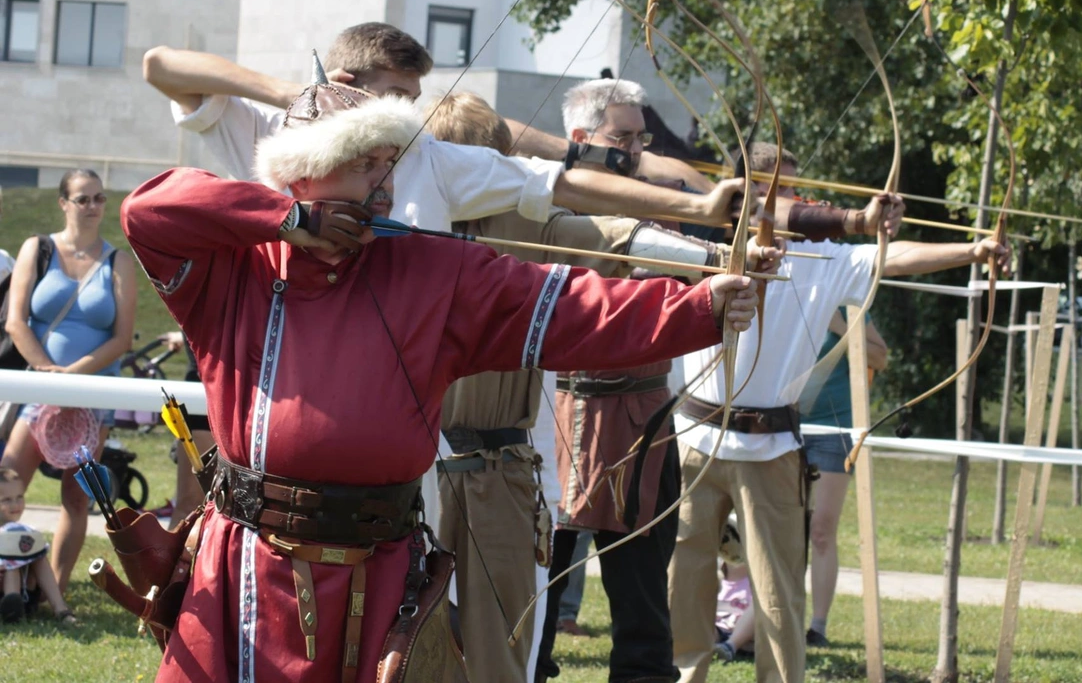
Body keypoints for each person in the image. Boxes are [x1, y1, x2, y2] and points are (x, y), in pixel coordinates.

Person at [120, 84, 761, 683]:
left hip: (379, 568)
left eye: (390, 164)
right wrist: (288, 220)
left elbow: (571, 305)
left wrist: (700, 308)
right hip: (249, 563)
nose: (385, 185)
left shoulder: (434, 270)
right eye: (364, 164)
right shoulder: (236, 270)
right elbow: (148, 209)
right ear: (304, 172)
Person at [427, 91, 778, 682]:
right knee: (420, 635)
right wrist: (715, 257)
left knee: (507, 637)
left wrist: (719, 256)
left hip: (504, 466)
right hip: (430, 464)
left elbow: (613, 234)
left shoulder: (525, 218)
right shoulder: (405, 219)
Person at [669, 142, 1008, 683]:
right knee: (685, 582)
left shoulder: (821, 256)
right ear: (738, 192)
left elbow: (892, 256)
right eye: (771, 188)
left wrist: (973, 251)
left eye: (792, 189)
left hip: (770, 448)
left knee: (779, 590)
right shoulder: (697, 244)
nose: (786, 200)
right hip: (694, 441)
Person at [142, 24, 745, 233]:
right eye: (394, 97)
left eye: (414, 100)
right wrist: (291, 94)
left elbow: (560, 184)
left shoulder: (427, 157)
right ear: (347, 81)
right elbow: (161, 66)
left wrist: (696, 208)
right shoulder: (273, 130)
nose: (408, 114)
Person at [538, 78, 743, 683]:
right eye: (622, 137)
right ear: (581, 139)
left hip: (639, 425)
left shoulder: (661, 205)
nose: (634, 150)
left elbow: (716, 249)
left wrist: (740, 250)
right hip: (554, 420)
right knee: (537, 596)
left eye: (640, 138)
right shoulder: (543, 203)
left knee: (643, 602)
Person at [1, 168, 136, 593]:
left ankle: (53, 593)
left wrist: (73, 379)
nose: (93, 206)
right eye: (83, 199)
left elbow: (122, 339)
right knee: (6, 480)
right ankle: (8, 581)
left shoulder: (118, 261)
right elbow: (16, 321)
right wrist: (49, 376)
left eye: (99, 198)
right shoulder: (37, 248)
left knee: (77, 497)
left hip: (92, 396)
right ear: (64, 203)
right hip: (39, 391)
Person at [801, 309, 889, 647]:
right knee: (784, 532)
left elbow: (880, 358)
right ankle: (776, 619)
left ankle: (818, 627)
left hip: (833, 430)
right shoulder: (779, 295)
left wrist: (841, 328)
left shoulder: (844, 306)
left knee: (821, 530)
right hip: (780, 426)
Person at [0, 466, 77, 625]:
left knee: (38, 555)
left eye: (19, 497)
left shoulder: (22, 531)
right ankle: (12, 609)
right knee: (11, 562)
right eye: (7, 500)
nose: (15, 504)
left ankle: (60, 608)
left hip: (27, 593)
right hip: (3, 597)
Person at [712, 516, 754, 663]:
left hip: (747, 635)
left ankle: (730, 646)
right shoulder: (715, 577)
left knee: (762, 604)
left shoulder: (756, 582)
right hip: (716, 630)